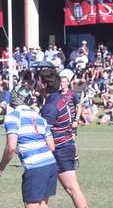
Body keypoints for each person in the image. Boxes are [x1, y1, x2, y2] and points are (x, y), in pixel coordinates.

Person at [0, 85, 58, 208]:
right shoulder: (39, 117)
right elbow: (52, 146)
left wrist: (1, 165)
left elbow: (11, 147)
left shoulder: (13, 117)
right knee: (43, 204)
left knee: (32, 205)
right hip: (50, 164)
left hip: (35, 167)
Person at [38, 68, 88, 208]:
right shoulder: (59, 98)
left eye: (39, 80)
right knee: (67, 190)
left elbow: (43, 133)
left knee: (70, 189)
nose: (37, 82)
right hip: (65, 146)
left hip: (58, 149)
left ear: (44, 85)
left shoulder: (50, 106)